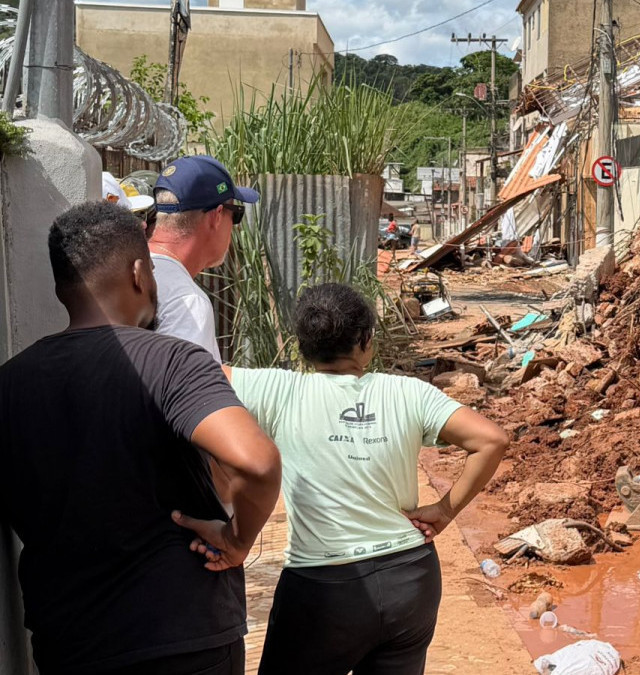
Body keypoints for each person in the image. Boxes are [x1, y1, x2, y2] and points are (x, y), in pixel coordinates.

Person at [0, 201, 282, 674]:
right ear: (138, 273)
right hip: (183, 636)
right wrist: (237, 539)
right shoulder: (171, 362)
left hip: (69, 642)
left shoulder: (9, 383)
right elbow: (257, 463)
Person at [227, 283, 508, 675]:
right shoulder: (409, 392)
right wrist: (445, 510)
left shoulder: (277, 390)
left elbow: (188, 374)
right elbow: (491, 440)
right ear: (366, 341)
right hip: (411, 579)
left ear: (302, 345)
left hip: (324, 589)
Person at [150, 154, 259, 362]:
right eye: (236, 214)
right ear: (217, 216)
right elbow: (187, 392)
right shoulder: (186, 303)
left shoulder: (128, 265)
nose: (235, 229)